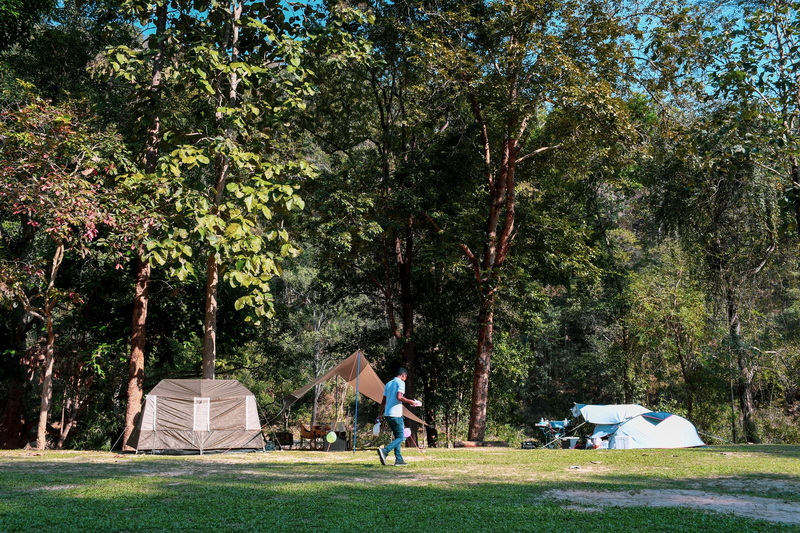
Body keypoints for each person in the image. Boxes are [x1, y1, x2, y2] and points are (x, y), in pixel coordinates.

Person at [377, 368, 421, 466]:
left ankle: (399, 460)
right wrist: (411, 402)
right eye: (405, 377)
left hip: (388, 415)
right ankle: (385, 451)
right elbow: (399, 397)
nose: (405, 379)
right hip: (396, 415)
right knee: (401, 437)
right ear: (402, 375)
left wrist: (380, 414)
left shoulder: (388, 384)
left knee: (397, 437)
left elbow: (384, 400)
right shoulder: (400, 383)